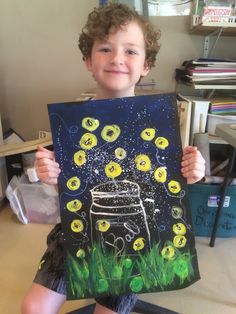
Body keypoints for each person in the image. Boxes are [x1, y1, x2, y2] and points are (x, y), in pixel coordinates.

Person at [21, 3, 205, 314]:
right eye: (105, 49)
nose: (118, 58)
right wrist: (49, 176)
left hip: (134, 242)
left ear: (146, 64)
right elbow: (65, 191)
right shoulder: (72, 125)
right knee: (33, 308)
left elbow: (175, 181)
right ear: (88, 61)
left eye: (131, 51)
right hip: (74, 235)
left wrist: (194, 169)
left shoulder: (158, 122)